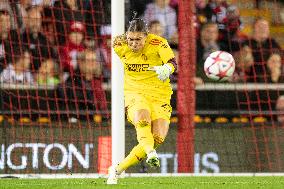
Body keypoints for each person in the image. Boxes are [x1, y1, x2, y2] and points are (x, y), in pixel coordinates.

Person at [107, 15, 177, 184]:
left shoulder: (158, 43)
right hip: (134, 93)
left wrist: (167, 68)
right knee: (142, 118)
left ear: (147, 36)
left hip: (160, 95)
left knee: (158, 138)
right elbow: (121, 44)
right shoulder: (119, 44)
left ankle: (117, 169)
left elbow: (173, 61)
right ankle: (150, 153)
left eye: (138, 40)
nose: (133, 44)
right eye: (130, 39)